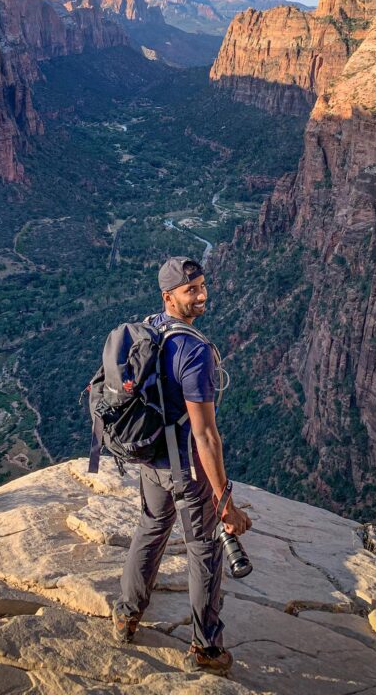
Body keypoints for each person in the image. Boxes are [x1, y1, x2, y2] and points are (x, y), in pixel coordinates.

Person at [112, 256, 251, 676]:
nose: (202, 295)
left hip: (150, 455)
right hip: (187, 468)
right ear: (168, 296)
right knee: (205, 548)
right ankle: (207, 647)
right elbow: (206, 435)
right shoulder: (194, 351)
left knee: (151, 526)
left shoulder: (149, 328)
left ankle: (126, 614)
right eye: (192, 290)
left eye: (203, 286)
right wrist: (225, 500)